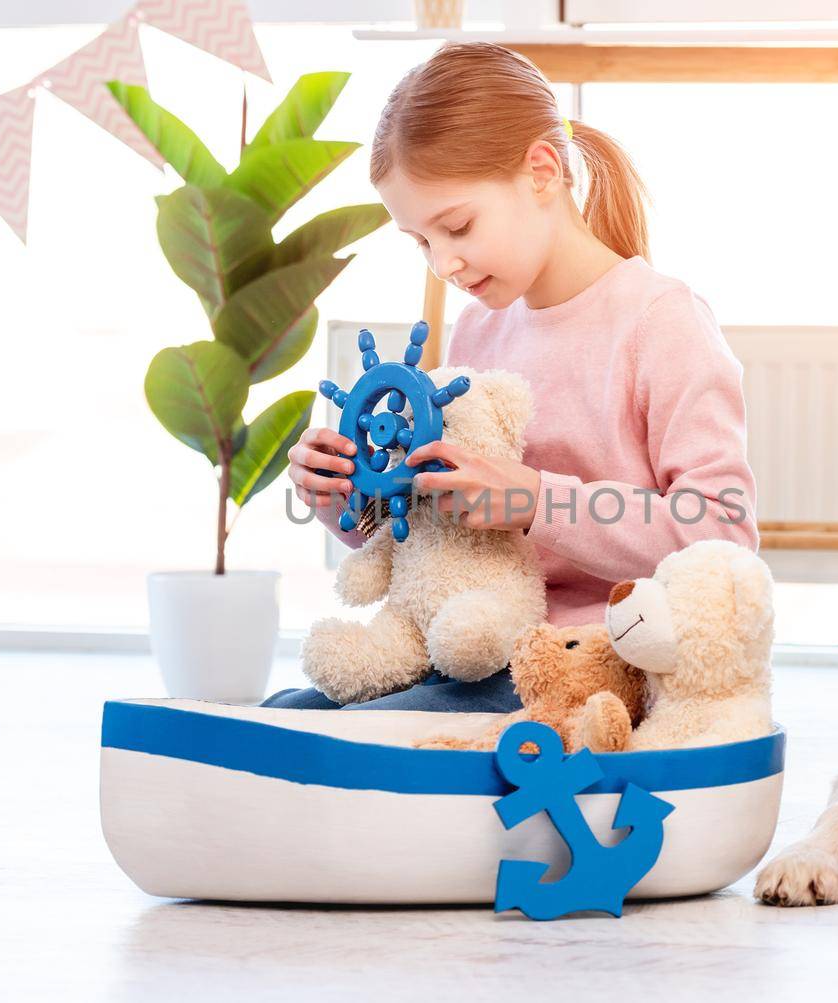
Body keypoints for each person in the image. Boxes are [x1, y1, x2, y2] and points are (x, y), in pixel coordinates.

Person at [265, 42, 758, 712]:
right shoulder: (477, 332)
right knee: (291, 714)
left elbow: (723, 536)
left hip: (590, 664)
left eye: (458, 226)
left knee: (355, 736)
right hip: (465, 645)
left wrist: (535, 501)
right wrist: (346, 494)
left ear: (542, 172)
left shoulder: (659, 322)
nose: (443, 263)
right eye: (421, 243)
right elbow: (437, 521)